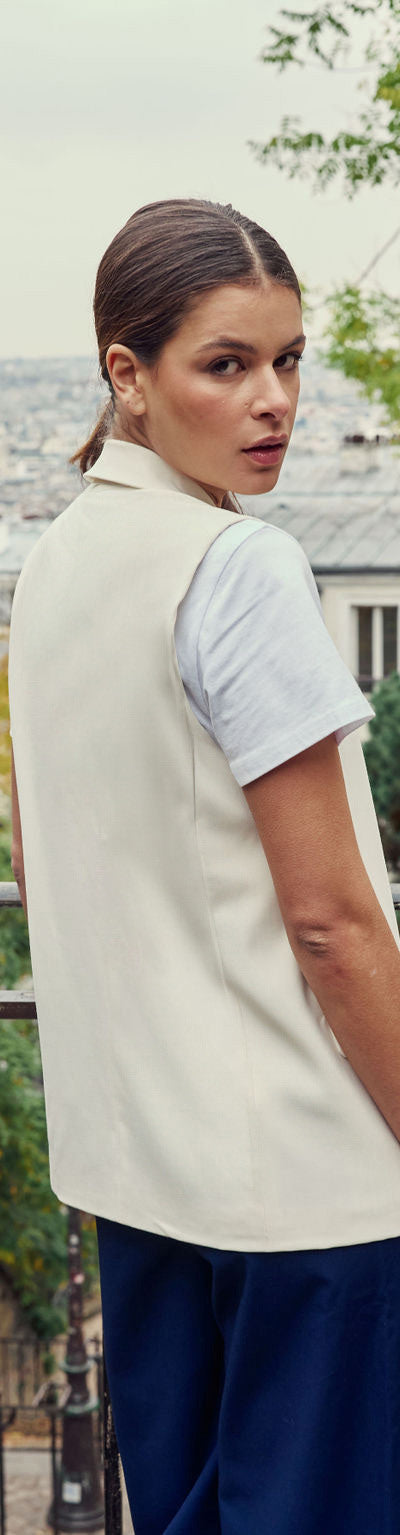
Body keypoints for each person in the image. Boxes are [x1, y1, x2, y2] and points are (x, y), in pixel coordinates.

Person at [8, 197, 400, 1535]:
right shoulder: (239, 569)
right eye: (226, 364)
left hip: (142, 1177)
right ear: (127, 372)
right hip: (311, 1194)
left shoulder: (56, 566)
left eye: (288, 361)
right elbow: (333, 921)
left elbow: (53, 865)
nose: (274, 399)